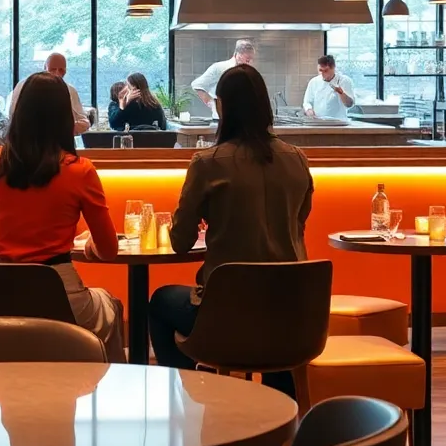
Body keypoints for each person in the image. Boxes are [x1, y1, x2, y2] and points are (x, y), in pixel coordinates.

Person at [149, 63, 311, 400]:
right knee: (274, 333)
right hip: (292, 314)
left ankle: (194, 394)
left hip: (225, 316)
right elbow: (298, 225)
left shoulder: (207, 163)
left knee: (160, 302)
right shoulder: (297, 160)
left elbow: (179, 243)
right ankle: (280, 425)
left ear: (221, 106)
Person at [0, 72, 123, 359]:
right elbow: (108, 250)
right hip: (58, 292)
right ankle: (106, 390)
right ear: (65, 118)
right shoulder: (80, 169)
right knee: (110, 304)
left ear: (19, 113)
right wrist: (89, 247)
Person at [6, 54, 90, 135]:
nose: (57, 74)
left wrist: (65, 129)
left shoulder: (69, 90)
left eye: (61, 70)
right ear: (44, 69)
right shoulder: (25, 86)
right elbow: (14, 118)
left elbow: (83, 122)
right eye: (53, 69)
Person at [191, 39, 254, 117]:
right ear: (237, 55)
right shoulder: (219, 68)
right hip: (222, 119)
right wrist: (212, 103)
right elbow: (197, 85)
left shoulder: (246, 72)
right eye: (247, 60)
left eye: (251, 60)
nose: (249, 63)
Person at [302, 54, 355, 120]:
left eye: (326, 71)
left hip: (339, 123)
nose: (322, 74)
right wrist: (309, 111)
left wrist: (341, 93)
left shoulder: (344, 81)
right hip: (318, 123)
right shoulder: (314, 82)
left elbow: (349, 104)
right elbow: (307, 102)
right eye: (320, 70)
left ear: (333, 68)